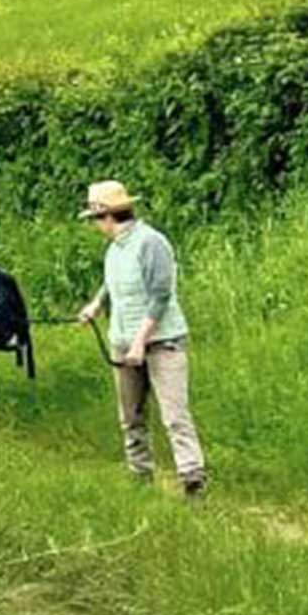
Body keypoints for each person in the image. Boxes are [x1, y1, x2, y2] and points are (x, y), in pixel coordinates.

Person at [77, 180, 207, 497]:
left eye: (94, 219)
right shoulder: (114, 250)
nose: (94, 226)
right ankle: (140, 476)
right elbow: (112, 283)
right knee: (131, 416)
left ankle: (192, 478)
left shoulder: (152, 243)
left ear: (108, 216)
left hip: (163, 342)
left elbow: (160, 295)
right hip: (122, 340)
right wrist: (96, 305)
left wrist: (140, 341)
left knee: (174, 415)